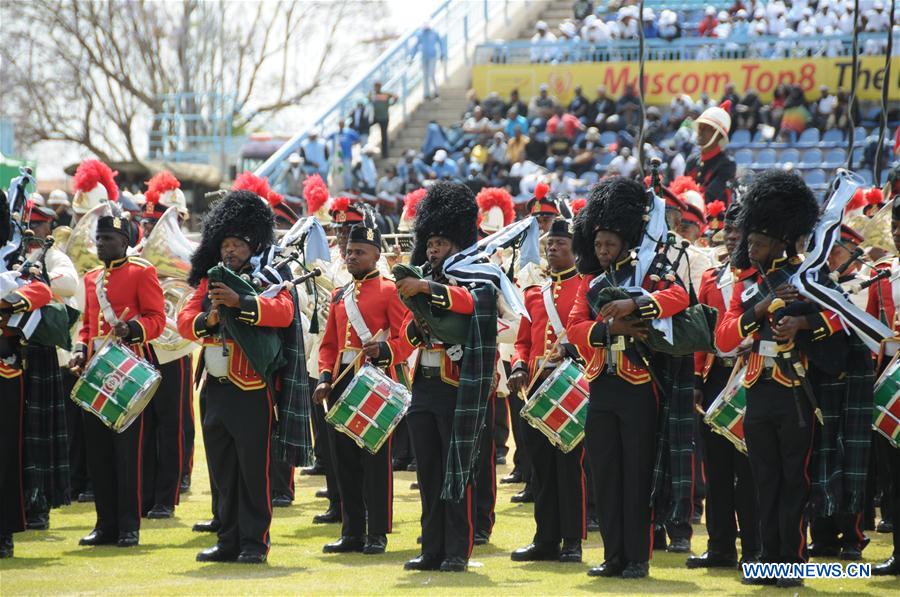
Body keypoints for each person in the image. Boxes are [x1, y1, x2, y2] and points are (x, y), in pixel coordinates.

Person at [714, 170, 843, 588]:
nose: (749, 248)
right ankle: (767, 558)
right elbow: (725, 336)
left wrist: (802, 326)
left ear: (781, 240)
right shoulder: (748, 284)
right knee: (762, 478)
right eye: (749, 241)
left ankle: (792, 560)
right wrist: (764, 307)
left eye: (758, 242)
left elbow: (839, 321)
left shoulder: (807, 276)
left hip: (794, 390)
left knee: (794, 480)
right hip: (757, 388)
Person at [567, 177, 690, 580]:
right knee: (603, 473)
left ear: (625, 242)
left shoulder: (648, 272)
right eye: (598, 244)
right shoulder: (591, 282)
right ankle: (613, 555)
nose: (602, 251)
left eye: (610, 244)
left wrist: (635, 302)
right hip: (602, 382)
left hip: (639, 386)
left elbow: (679, 297)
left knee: (636, 474)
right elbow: (575, 330)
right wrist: (611, 331)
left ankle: (637, 556)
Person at [177, 190, 297, 564]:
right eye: (225, 243)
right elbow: (183, 321)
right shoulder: (209, 281)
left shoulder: (268, 275)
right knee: (222, 469)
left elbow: (283, 313)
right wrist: (208, 318)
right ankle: (227, 539)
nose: (229, 250)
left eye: (237, 244)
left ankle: (254, 542)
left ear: (252, 245)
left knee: (253, 470)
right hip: (215, 385)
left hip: (252, 387)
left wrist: (240, 302)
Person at [396, 182, 501, 573]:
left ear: (457, 241)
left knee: (459, 469)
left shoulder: (478, 272)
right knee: (428, 472)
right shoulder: (423, 274)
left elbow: (475, 303)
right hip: (424, 383)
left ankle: (458, 549)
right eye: (430, 241)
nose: (433, 248)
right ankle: (432, 547)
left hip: (458, 385)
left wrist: (427, 287)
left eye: (440, 241)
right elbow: (411, 330)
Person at [312, 221, 411, 555]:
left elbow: (406, 338)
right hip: (342, 383)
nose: (351, 256)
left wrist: (386, 351)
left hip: (376, 384)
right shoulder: (340, 294)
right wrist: (325, 376)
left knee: (374, 461)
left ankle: (377, 532)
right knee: (344, 461)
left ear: (376, 255)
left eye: (359, 252)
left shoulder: (389, 290)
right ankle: (352, 531)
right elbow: (328, 345)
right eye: (349, 251)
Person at [69, 214, 166, 549]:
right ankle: (105, 524)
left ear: (124, 241)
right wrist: (81, 350)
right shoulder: (92, 277)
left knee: (128, 454)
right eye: (99, 239)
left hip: (129, 370)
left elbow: (157, 319)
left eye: (108, 239)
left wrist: (131, 329)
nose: (101, 245)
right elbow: (87, 325)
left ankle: (129, 526)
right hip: (96, 371)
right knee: (98, 453)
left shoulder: (142, 272)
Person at [686, 200, 761, 569]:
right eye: (728, 231)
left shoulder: (759, 277)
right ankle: (720, 547)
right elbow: (702, 333)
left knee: (748, 467)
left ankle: (754, 549)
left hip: (751, 372)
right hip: (716, 375)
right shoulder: (711, 278)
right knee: (715, 467)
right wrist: (697, 379)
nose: (732, 237)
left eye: (739, 231)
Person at [508, 218, 586, 564]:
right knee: (540, 468)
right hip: (537, 385)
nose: (552, 249)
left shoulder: (586, 287)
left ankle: (572, 540)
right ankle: (545, 538)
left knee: (569, 467)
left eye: (560, 244)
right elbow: (523, 343)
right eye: (549, 244)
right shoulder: (534, 294)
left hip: (570, 384)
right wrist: (520, 367)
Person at [18, 201, 77, 532]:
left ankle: (40, 504)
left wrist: (30, 284)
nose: (32, 232)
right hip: (14, 350)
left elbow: (68, 284)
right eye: (29, 225)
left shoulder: (54, 256)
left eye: (38, 226)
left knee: (39, 433)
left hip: (41, 352)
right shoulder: (15, 252)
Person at [138, 173, 193, 521]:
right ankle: (144, 491)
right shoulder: (136, 253)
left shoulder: (188, 254)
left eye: (154, 220)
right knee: (143, 424)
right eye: (146, 220)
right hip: (143, 345)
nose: (148, 225)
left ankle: (166, 495)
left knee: (171, 423)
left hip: (171, 348)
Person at [0, 252, 55, 558]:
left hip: (4, 369)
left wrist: (6, 302)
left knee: (6, 454)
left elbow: (41, 289)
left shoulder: (12, 258)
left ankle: (3, 532)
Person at [869, 198, 900, 576]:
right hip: (891, 379)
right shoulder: (883, 273)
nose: (896, 232)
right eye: (894, 224)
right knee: (894, 475)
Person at [685, 101, 737, 204]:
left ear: (719, 135)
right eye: (700, 127)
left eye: (706, 128)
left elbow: (709, 196)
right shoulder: (691, 160)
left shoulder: (727, 164)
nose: (700, 131)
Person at [410, 23, 445, 101]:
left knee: (431, 74)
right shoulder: (420, 34)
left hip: (432, 56)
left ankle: (436, 92)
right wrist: (411, 57)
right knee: (425, 76)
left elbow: (441, 43)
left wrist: (442, 53)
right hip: (424, 57)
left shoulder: (434, 33)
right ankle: (426, 94)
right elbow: (415, 47)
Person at [369, 82, 397, 159]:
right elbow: (368, 100)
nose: (376, 88)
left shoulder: (386, 94)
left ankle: (385, 154)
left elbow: (395, 97)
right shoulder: (372, 94)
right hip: (376, 117)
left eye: (377, 86)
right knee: (366, 127)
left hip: (384, 117)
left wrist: (390, 104)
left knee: (384, 135)